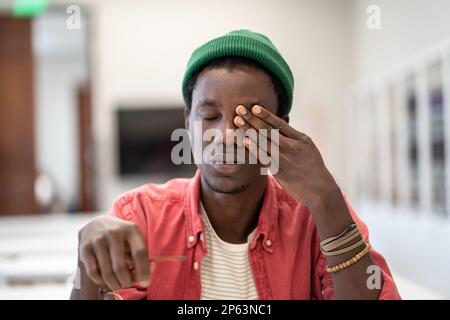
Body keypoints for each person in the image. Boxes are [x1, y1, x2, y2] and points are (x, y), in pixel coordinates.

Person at [70, 30, 400, 300]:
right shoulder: (140, 215)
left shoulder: (317, 215)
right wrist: (88, 271)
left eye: (249, 120)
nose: (226, 135)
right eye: (210, 116)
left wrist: (327, 197)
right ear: (188, 122)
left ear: (280, 127)